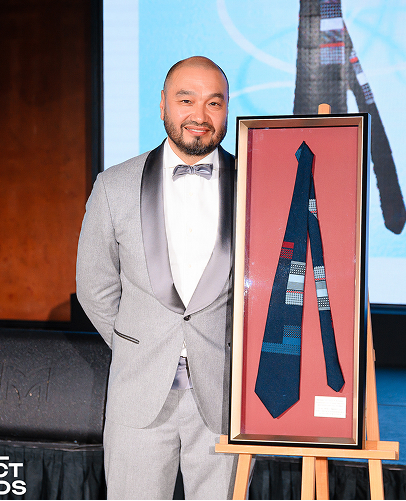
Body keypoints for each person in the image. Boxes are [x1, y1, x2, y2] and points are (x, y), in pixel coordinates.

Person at [76, 56, 236, 499]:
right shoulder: (114, 185)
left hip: (226, 397)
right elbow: (94, 286)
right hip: (138, 396)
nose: (200, 116)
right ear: (163, 104)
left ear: (227, 109)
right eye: (186, 100)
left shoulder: (256, 182)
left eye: (214, 103)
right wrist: (141, 343)